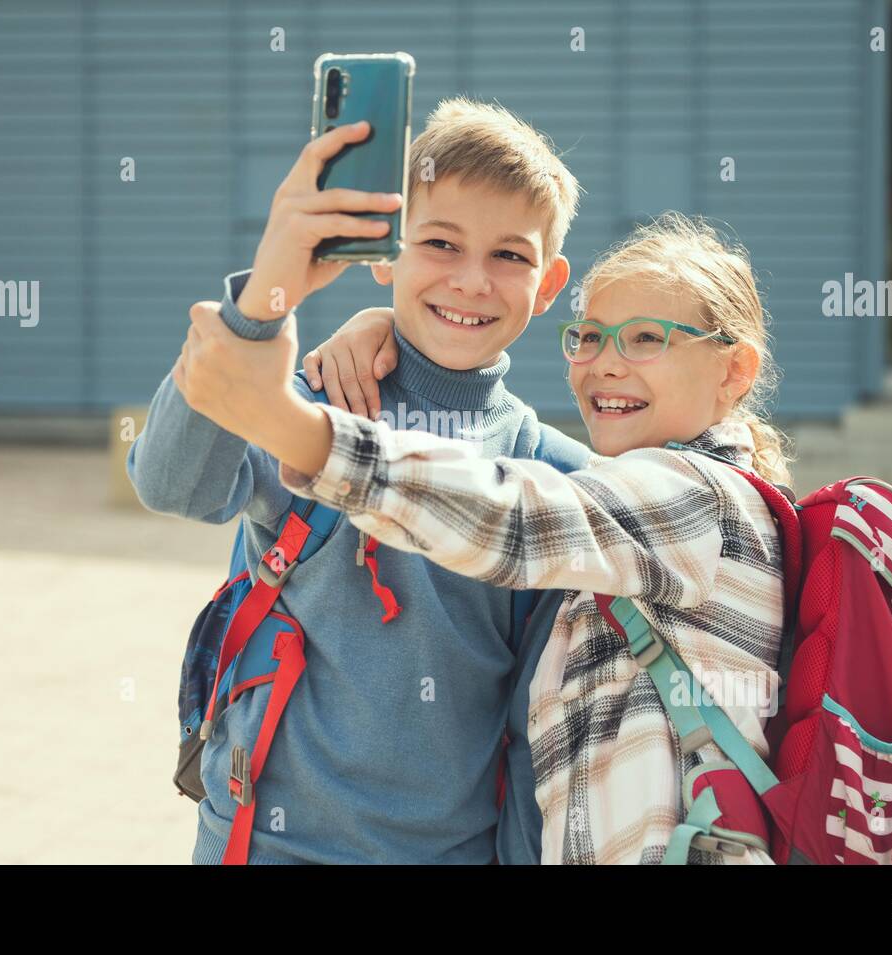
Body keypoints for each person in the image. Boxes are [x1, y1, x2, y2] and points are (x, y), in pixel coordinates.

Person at [180, 212, 795, 863]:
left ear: (734, 372)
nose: (606, 365)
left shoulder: (700, 501)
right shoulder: (622, 501)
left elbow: (512, 516)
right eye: (589, 336)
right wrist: (392, 333)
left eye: (646, 338)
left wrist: (295, 429)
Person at [130, 98, 591, 863]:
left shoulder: (554, 477)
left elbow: (531, 734)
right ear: (383, 251)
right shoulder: (312, 405)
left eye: (511, 256)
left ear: (549, 285)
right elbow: (170, 480)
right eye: (440, 243)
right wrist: (268, 291)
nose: (473, 281)